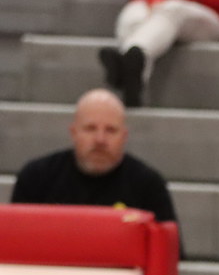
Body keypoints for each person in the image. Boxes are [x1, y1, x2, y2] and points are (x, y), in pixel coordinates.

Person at [10, 88, 180, 252]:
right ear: (74, 133)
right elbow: (12, 244)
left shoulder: (148, 185)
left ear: (124, 136)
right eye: (90, 128)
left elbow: (169, 255)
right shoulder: (36, 178)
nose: (100, 140)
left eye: (111, 130)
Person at [99, 0, 219, 107]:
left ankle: (127, 65)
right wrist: (156, 0)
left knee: (174, 9)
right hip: (158, 5)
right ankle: (132, 74)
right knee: (134, 16)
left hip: (210, 14)